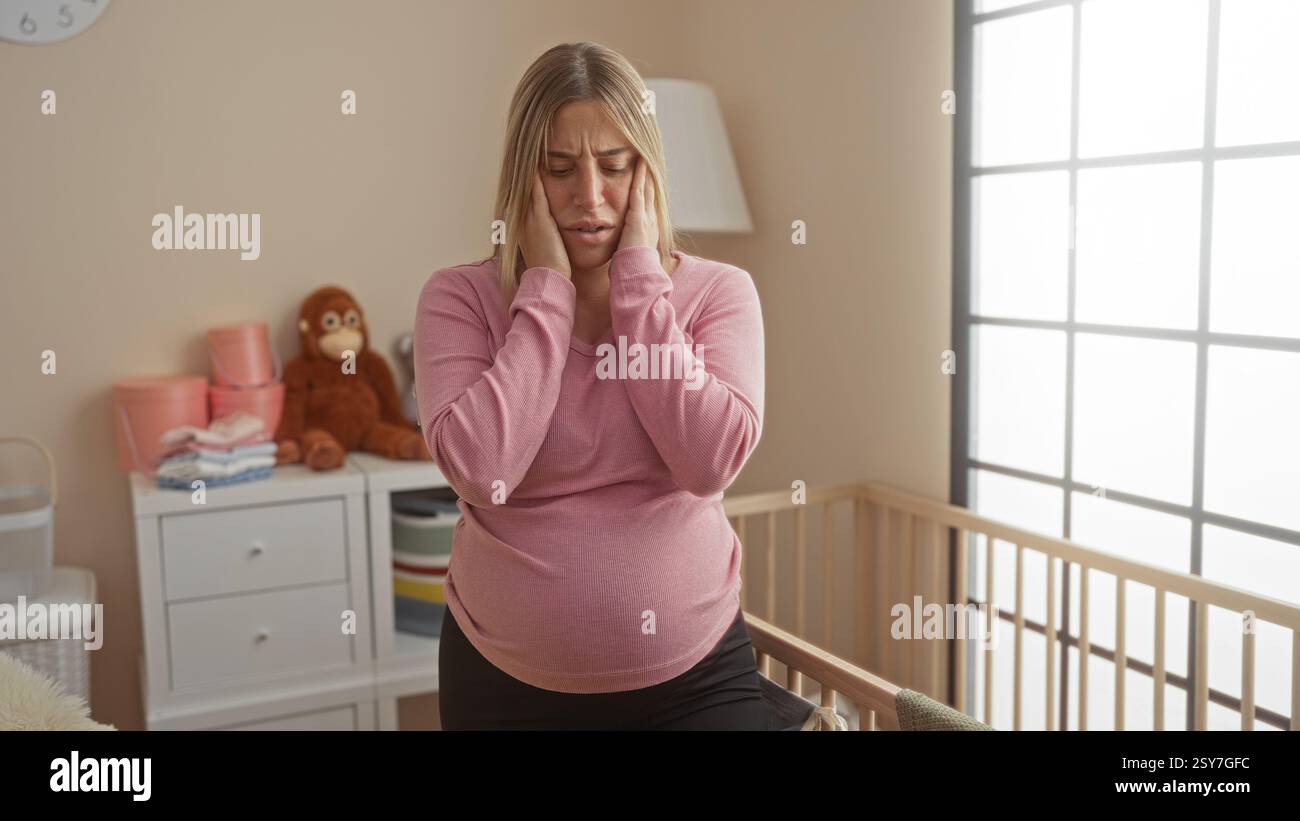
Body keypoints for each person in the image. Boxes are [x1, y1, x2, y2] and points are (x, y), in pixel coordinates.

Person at [414, 41, 767, 730]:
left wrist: (639, 285)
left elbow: (708, 461)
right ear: (525, 176)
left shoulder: (721, 293)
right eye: (560, 169)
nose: (591, 197)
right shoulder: (456, 299)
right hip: (503, 682)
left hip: (695, 679)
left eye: (615, 166)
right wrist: (545, 292)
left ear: (649, 172)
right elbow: (483, 470)